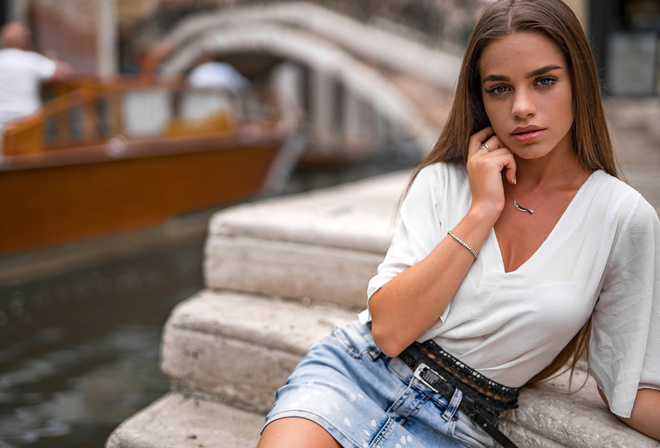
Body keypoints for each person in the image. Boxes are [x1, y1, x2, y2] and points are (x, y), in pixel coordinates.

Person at [257, 0, 660, 447]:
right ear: (481, 97)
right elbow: (389, 331)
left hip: (462, 426)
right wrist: (481, 211)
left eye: (544, 81)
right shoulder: (442, 182)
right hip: (356, 373)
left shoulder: (624, 217)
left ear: (578, 82)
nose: (522, 107)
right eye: (499, 89)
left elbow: (629, 386)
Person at [0, 22, 71, 148]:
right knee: (29, 157)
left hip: (2, 119)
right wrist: (52, 61)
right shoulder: (31, 60)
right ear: (25, 41)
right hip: (28, 119)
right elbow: (64, 71)